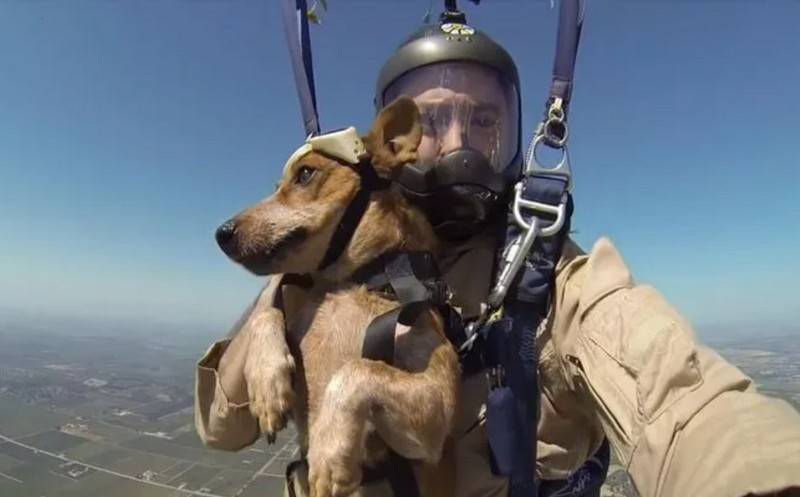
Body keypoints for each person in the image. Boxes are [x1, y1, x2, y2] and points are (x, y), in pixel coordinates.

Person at [194, 20, 800, 497]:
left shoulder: (551, 273)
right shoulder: (313, 276)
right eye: (430, 121)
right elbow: (223, 428)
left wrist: (761, 476)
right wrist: (278, 301)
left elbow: (678, 395)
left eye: (484, 120)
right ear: (393, 140)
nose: (459, 143)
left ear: (515, 134)